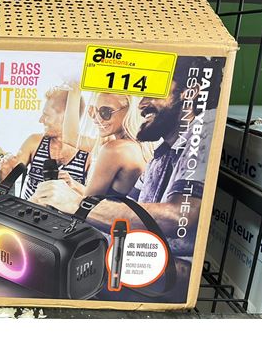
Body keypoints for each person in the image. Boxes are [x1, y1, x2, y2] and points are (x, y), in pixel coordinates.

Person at [31, 57, 223, 258]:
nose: (142, 104)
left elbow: (180, 216)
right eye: (93, 111)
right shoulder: (160, 155)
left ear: (190, 93)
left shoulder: (205, 131)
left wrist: (76, 204)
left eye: (153, 93)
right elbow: (126, 205)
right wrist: (72, 193)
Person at [61, 83, 154, 197]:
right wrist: (75, 88)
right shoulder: (137, 146)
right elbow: (70, 137)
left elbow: (87, 203)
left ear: (130, 110)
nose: (97, 119)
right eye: (94, 111)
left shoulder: (115, 150)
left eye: (105, 112)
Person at [0, 86, 89, 199]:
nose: (41, 120)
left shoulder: (89, 153)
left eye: (46, 115)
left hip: (65, 211)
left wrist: (73, 185)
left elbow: (96, 198)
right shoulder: (34, 141)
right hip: (29, 208)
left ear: (66, 118)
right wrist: (6, 170)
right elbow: (9, 179)